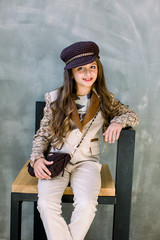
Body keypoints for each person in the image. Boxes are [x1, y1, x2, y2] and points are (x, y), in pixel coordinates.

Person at [30, 41, 139, 240]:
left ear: (98, 69)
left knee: (88, 205)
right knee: (45, 204)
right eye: (81, 69)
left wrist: (118, 121)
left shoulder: (105, 99)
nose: (88, 73)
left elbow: (132, 115)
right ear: (71, 73)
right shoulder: (54, 99)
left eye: (92, 67)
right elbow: (42, 135)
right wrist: (37, 158)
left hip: (87, 163)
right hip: (56, 161)